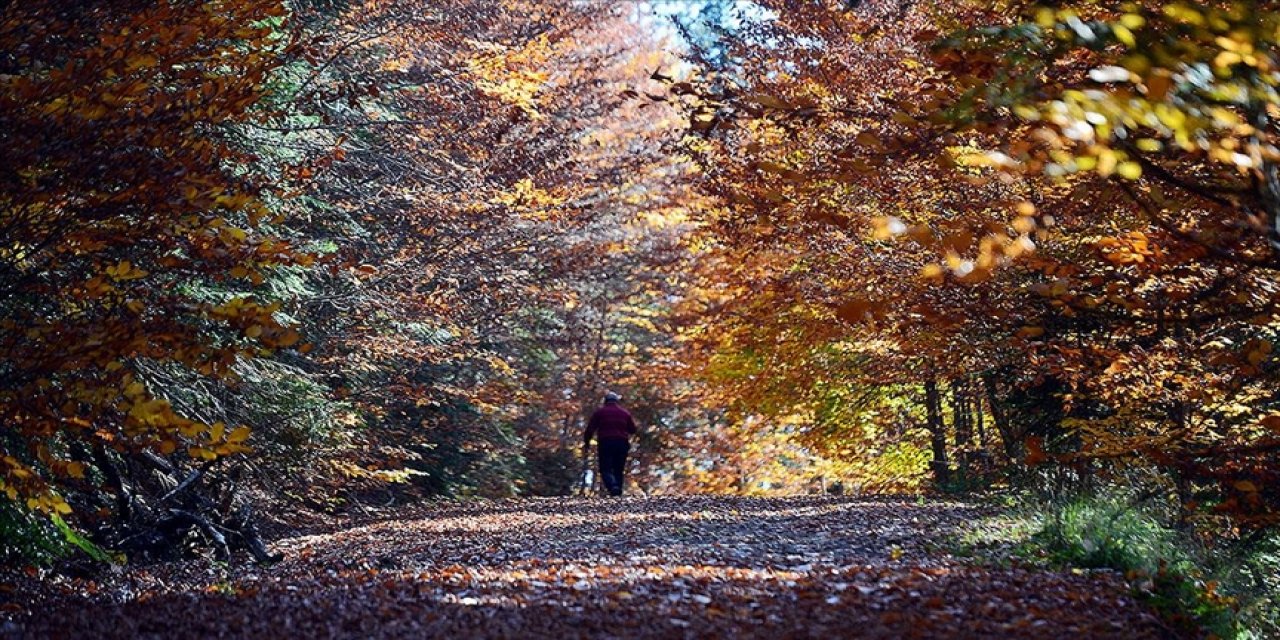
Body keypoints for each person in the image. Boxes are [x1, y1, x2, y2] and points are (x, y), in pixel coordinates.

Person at [583, 391, 637, 496]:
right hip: (622, 443)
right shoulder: (625, 413)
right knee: (618, 469)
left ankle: (612, 487)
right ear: (616, 401)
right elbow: (633, 429)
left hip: (606, 442)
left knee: (605, 468)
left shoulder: (599, 413)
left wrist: (587, 442)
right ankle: (618, 491)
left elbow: (590, 429)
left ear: (605, 401)